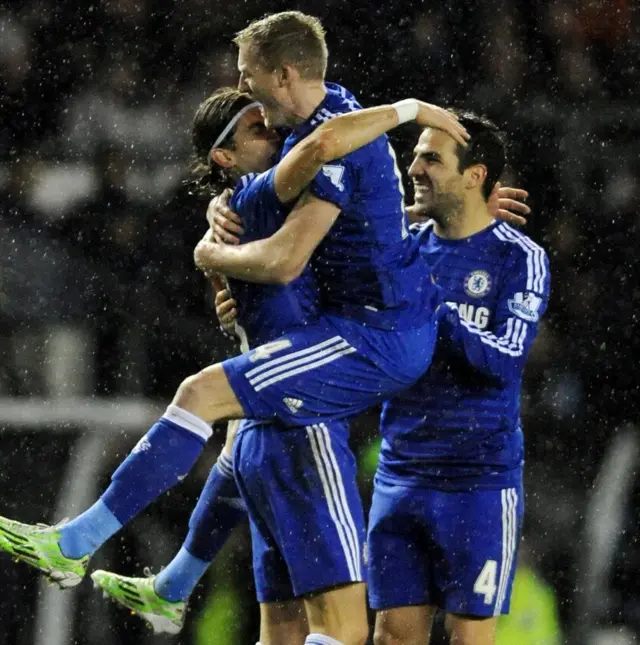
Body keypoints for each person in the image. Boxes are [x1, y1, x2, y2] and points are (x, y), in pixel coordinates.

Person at [0, 78, 466, 645]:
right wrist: (411, 110)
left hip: (264, 424)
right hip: (306, 425)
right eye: (255, 127)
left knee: (280, 624)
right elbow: (320, 159)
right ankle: (81, 545)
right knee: (342, 629)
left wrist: (215, 255)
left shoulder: (235, 206)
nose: (272, 128)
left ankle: (170, 583)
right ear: (226, 156)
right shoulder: (258, 197)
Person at [367, 113, 551, 645]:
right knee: (392, 638)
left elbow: (503, 361)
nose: (414, 166)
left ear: (475, 175)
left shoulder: (518, 258)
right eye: (416, 154)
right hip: (400, 471)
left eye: (432, 158)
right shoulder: (402, 248)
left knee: (468, 638)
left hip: (478, 481)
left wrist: (434, 305)